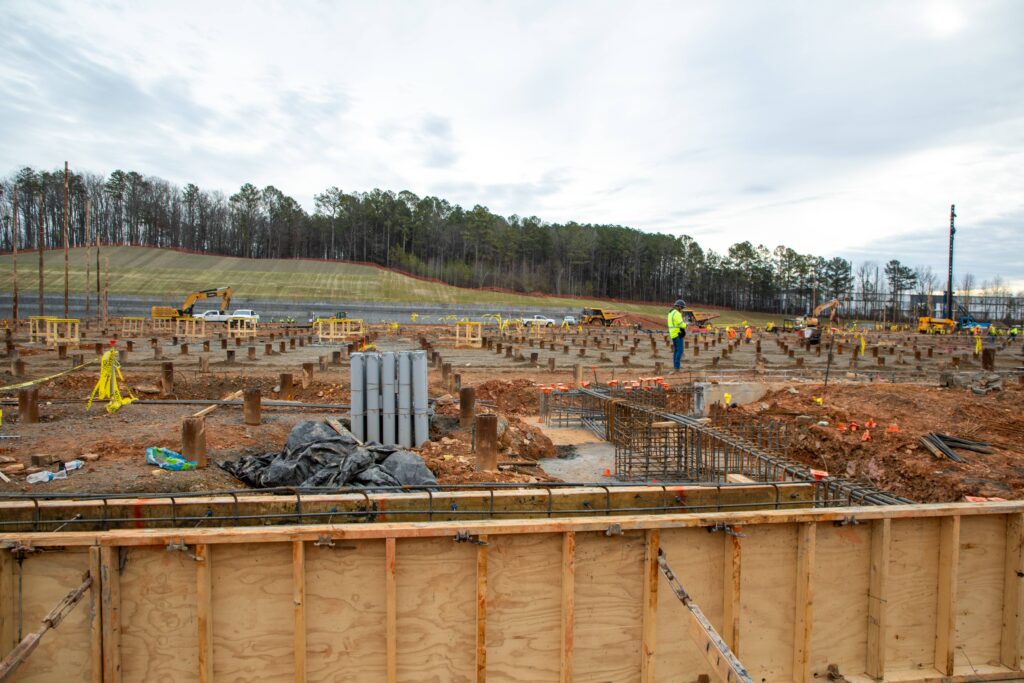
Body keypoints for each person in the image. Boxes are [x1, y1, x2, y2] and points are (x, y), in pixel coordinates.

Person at [667, 299, 687, 372]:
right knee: (680, 350)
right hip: (678, 334)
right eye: (682, 308)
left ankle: (675, 367)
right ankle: (677, 368)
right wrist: (686, 324)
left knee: (676, 350)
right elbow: (682, 325)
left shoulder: (670, 312)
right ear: (679, 307)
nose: (682, 309)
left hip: (673, 334)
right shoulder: (677, 314)